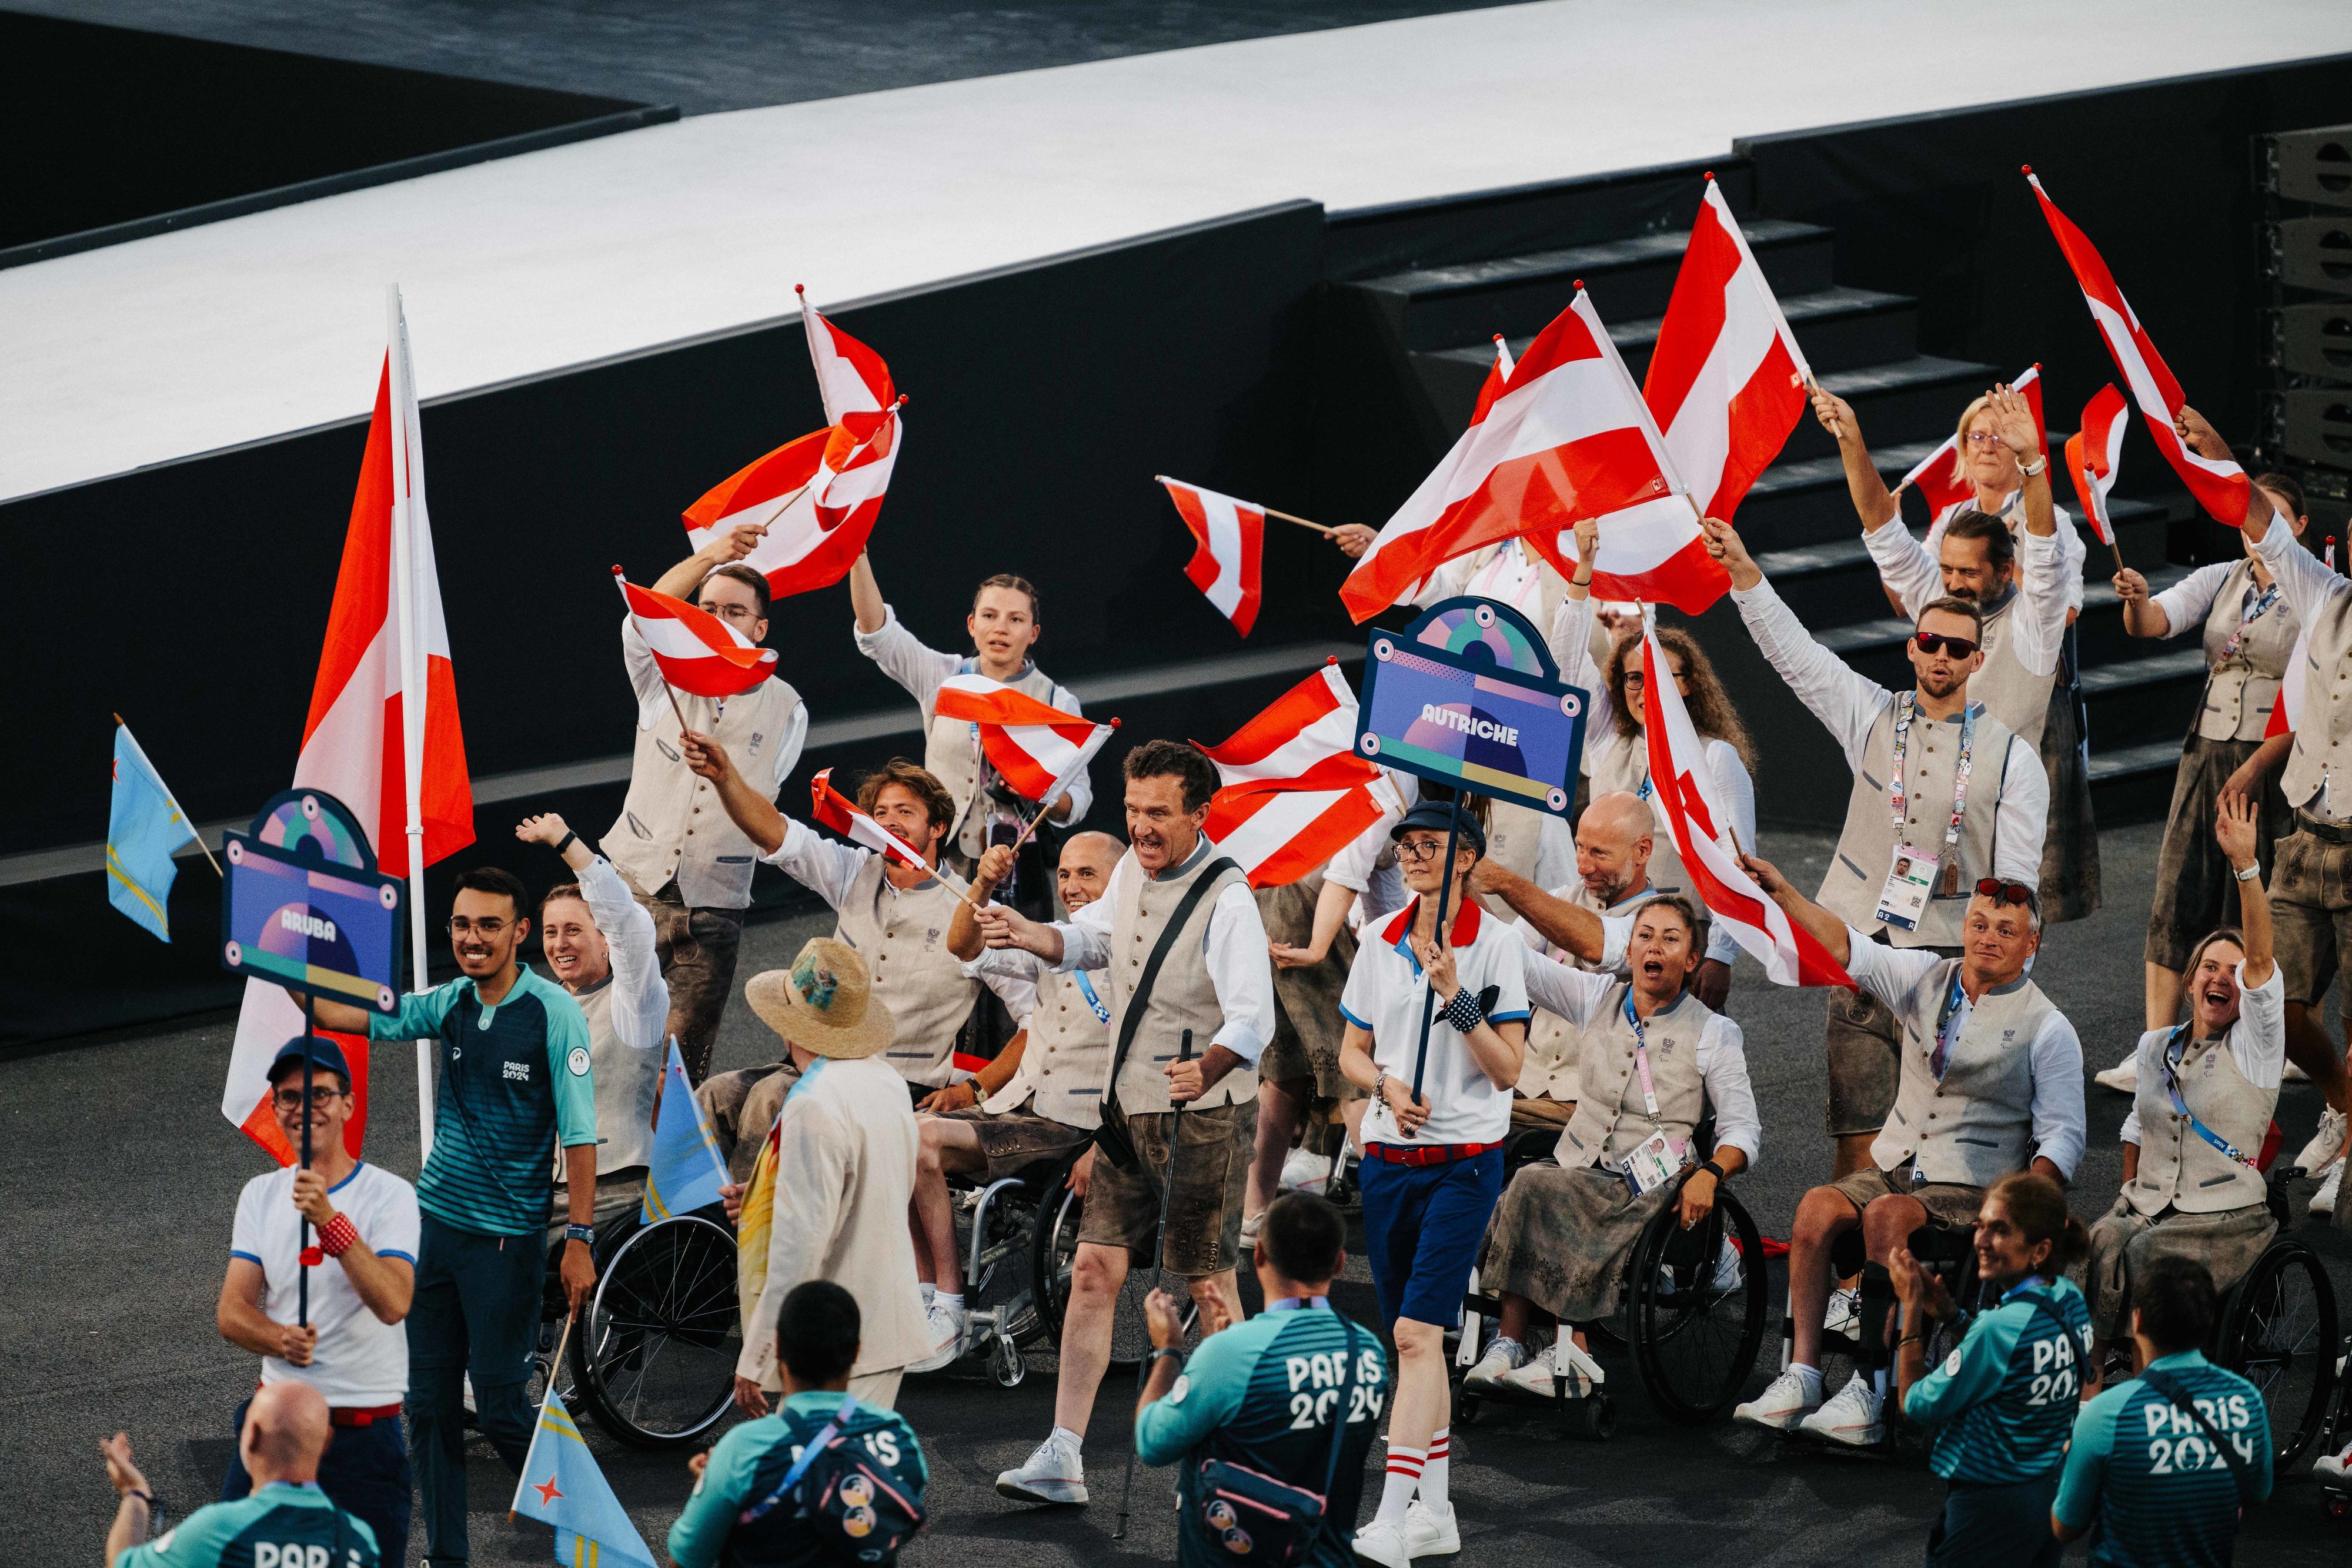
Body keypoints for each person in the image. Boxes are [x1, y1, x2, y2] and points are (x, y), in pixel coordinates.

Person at [1704, 514, 2050, 1184]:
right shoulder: (1869, 713)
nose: (1942, 657)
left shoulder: (2015, 759)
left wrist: (2001, 987)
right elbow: (1794, 653)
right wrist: (1743, 573)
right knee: (1858, 1144)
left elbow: (2017, 888)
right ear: (1912, 649)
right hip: (1859, 950)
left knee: (1942, 1147)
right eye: (1931, 643)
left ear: (1977, 661)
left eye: (1957, 647)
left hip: (1951, 969)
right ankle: (1851, 1287)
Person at [981, 738, 1276, 1507]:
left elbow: (1254, 1017)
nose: (1142, 826)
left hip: (1201, 1118)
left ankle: (1231, 1455)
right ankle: (1063, 1453)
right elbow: (1093, 939)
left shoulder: (1229, 899)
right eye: (1134, 809)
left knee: (1209, 1286)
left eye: (1159, 812)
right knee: (1092, 1270)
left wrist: (1206, 1066)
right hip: (1126, 1113)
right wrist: (1028, 932)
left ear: (1200, 812)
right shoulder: (1128, 874)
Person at [303, 864, 598, 1568]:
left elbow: (581, 1137)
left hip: (506, 1244)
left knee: (499, 1407)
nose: (473, 938)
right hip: (433, 1233)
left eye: (489, 926)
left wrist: (579, 1239)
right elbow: (357, 1016)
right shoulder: (452, 1001)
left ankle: (592, 1526)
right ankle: (448, 1558)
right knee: (428, 1407)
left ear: (519, 933)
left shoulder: (554, 1013)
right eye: (463, 924)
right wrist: (290, 971)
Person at [1732, 857, 2084, 1447]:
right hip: (1901, 1163)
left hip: (1973, 1184)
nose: (1987, 938)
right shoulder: (1925, 976)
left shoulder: (2048, 1028)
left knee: (1885, 1216)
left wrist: (2025, 1207)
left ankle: (1869, 1391)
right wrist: (1784, 891)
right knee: (1815, 1209)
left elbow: (2063, 1137)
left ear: (2032, 944)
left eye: (2004, 930)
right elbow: (1848, 947)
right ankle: (1804, 1373)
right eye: (1978, 924)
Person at [680, 744, 1033, 1177]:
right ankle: (685, 1227)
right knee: (712, 1095)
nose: (889, 822)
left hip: (900, 1087)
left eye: (905, 811)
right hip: (819, 1065)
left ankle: (749, 1234)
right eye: (881, 813)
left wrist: (974, 1091)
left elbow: (1039, 1020)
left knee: (773, 1095)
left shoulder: (971, 912)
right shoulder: (853, 871)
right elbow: (775, 831)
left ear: (938, 826)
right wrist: (723, 776)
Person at [1465, 896, 1760, 1411]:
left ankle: (1571, 1349)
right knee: (1529, 1182)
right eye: (1645, 935)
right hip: (1583, 1159)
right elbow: (1520, 957)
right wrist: (1471, 894)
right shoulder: (1597, 994)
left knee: (1558, 1190)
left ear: (1692, 960)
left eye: (1671, 939)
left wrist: (1712, 1172)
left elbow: (1744, 1129)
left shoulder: (1714, 1031)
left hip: (1654, 1178)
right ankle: (1510, 1340)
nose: (1655, 947)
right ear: (1629, 949)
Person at [1332, 802, 1528, 1566]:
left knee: (1416, 1335)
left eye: (1430, 845)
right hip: (1387, 1162)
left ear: (1468, 858)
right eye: (1407, 844)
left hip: (1464, 1162)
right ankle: (1438, 1510)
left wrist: (1457, 994)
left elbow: (1509, 1067)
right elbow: (1350, 1047)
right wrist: (1384, 1084)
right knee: (1419, 1346)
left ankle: (1389, 1515)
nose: (1412, 855)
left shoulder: (1498, 943)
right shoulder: (1378, 941)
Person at [1822, 383, 2095, 927]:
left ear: (2004, 569)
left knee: (1988, 958)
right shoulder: (1941, 604)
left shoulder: (2033, 626)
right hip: (1923, 809)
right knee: (1899, 940)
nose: (1951, 584)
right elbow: (1884, 530)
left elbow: (2043, 557)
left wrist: (2035, 463)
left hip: (1994, 818)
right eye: (1947, 570)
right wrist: (1852, 442)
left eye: (1967, 573)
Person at [2185, 407, 2352, 1214]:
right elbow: (2262, 528)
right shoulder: (2324, 596)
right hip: (2306, 835)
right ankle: (2347, 1103)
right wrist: (2222, 455)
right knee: (2278, 996)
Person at [2102, 474, 2308, 1071]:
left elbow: (2322, 694)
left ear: (2296, 527)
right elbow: (2151, 623)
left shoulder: (2316, 592)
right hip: (2206, 753)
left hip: (2279, 761)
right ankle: (2156, 1047)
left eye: (2270, 515)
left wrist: (2260, 764)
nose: (2255, 526)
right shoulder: (2220, 577)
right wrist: (2136, 598)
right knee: (2177, 891)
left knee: (2277, 899)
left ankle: (2286, 1044)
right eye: (2249, 514)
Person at [2087, 794, 2283, 1386]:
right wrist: (2130, 1198)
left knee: (2148, 1263)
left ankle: (2151, 1404)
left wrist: (2245, 868)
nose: (2220, 978)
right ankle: (2088, 1401)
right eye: (2208, 967)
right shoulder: (2154, 1048)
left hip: (2226, 1216)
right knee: (2088, 1246)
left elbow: (2263, 960)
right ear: (2191, 979)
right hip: (2151, 1207)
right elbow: (2136, 1131)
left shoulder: (2256, 1047)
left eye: (2233, 971)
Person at [914, 831, 1123, 1370]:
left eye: (1087, 874)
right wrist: (983, 880)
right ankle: (924, 1295)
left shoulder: (1134, 951)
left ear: (1119, 881)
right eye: (1065, 873)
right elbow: (963, 945)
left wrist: (1106, 1145)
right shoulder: (1049, 937)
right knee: (893, 1131)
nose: (1071, 885)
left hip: (1071, 1124)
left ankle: (951, 1303)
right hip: (1014, 1107)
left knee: (919, 1138)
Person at [606, 529, 807, 1084]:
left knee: (682, 1060)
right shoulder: (659, 676)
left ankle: (666, 1169)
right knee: (606, 1044)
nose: (720, 617)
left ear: (760, 627)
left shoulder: (788, 708)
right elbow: (640, 617)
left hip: (713, 906)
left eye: (735, 611)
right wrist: (711, 556)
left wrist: (724, 776)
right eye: (708, 607)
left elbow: (761, 805)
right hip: (633, 885)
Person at [215, 1037, 417, 1564]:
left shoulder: (391, 1195)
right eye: (289, 1096)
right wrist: (280, 1338)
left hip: (363, 1440)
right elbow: (232, 1312)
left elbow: (394, 1301)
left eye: (321, 1094)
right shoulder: (259, 1194)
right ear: (275, 1107)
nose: (305, 1109)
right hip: (277, 1432)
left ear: (348, 1104)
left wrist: (330, 1220)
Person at [1553, 514, 1755, 1010]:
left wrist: (1722, 956)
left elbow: (1742, 863)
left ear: (1687, 682)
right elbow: (1564, 662)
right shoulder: (1608, 741)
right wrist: (1584, 571)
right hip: (1605, 928)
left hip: (1681, 940)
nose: (1645, 689)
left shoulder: (1715, 756)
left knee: (1678, 1072)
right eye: (1633, 679)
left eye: (1662, 675)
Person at [1133, 1193, 1389, 1568]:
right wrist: (1230, 1349)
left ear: (1259, 1255)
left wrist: (1170, 1351)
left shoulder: (1232, 1355)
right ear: (1339, 1262)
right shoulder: (1368, 1352)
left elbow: (1152, 1442)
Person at [733, 939, 933, 1414]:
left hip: (831, 1342)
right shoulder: (885, 1080)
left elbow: (798, 1247)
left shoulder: (811, 1103)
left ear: (788, 1026)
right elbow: (877, 1183)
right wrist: (772, 1191)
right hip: (885, 1327)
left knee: (804, 1479)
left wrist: (757, 1353)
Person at [849, 555, 1091, 896]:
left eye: (1016, 619)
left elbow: (1077, 801)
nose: (1001, 628)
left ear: (1034, 633)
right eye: (989, 616)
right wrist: (857, 557)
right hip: (941, 854)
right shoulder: (943, 677)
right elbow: (878, 634)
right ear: (972, 624)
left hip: (1016, 862)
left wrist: (1037, 789)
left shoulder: (1056, 701)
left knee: (1012, 947)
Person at [1887, 1171, 2094, 1568]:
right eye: (1981, 1225)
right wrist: (1951, 1314)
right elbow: (2011, 1360)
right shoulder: (2068, 1299)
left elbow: (1914, 1404)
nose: (1981, 1240)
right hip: (2049, 1496)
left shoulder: (1998, 1328)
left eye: (2000, 1230)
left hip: (1988, 1507)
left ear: (2039, 1249)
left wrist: (1911, 1308)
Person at [670, 1279, 928, 1568]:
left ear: (779, 1347)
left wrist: (712, 1481)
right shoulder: (896, 1435)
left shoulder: (742, 1450)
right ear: (856, 1352)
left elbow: (686, 1560)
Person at [1472, 791, 1686, 1131]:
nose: (1584, 866)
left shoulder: (1663, 922)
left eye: (1599, 853)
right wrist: (1464, 881)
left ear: (1642, 850)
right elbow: (1502, 955)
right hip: (1522, 1089)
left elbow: (1602, 947)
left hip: (1592, 1106)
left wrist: (1504, 881)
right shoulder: (1559, 898)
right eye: (1580, 847)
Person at [2053, 1255, 2272, 1565]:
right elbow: (2258, 1493)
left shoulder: (2104, 1414)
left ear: (2137, 1321)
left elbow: (2065, 1527)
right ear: (2209, 1320)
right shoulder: (2248, 1400)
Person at [517, 812, 668, 1239]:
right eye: (550, 932)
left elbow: (627, 923)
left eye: (573, 930)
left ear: (605, 940)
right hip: (542, 1192)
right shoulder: (541, 1007)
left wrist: (566, 841)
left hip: (616, 1192)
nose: (559, 943)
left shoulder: (635, 1000)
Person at [100, 1384, 379, 1567]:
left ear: (252, 1436)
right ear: (326, 1442)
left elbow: (124, 1562)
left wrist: (133, 1493)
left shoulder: (218, 1530)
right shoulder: (359, 1540)